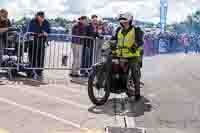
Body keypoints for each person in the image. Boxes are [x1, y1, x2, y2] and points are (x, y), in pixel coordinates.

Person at [108, 12, 144, 101]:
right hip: (120, 54)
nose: (123, 23)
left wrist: (134, 46)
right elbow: (113, 39)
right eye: (122, 21)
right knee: (114, 68)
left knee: (135, 72)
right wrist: (111, 43)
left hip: (132, 55)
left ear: (130, 21)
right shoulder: (118, 30)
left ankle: (137, 93)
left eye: (125, 21)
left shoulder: (136, 29)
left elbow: (140, 41)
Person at [28, 11, 50, 78]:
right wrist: (42, 32)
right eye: (40, 17)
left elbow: (47, 31)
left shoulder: (46, 22)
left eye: (43, 17)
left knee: (41, 56)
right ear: (37, 16)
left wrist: (43, 33)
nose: (42, 18)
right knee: (32, 56)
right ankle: (32, 70)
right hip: (33, 42)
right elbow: (33, 31)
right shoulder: (33, 21)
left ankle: (39, 71)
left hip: (42, 41)